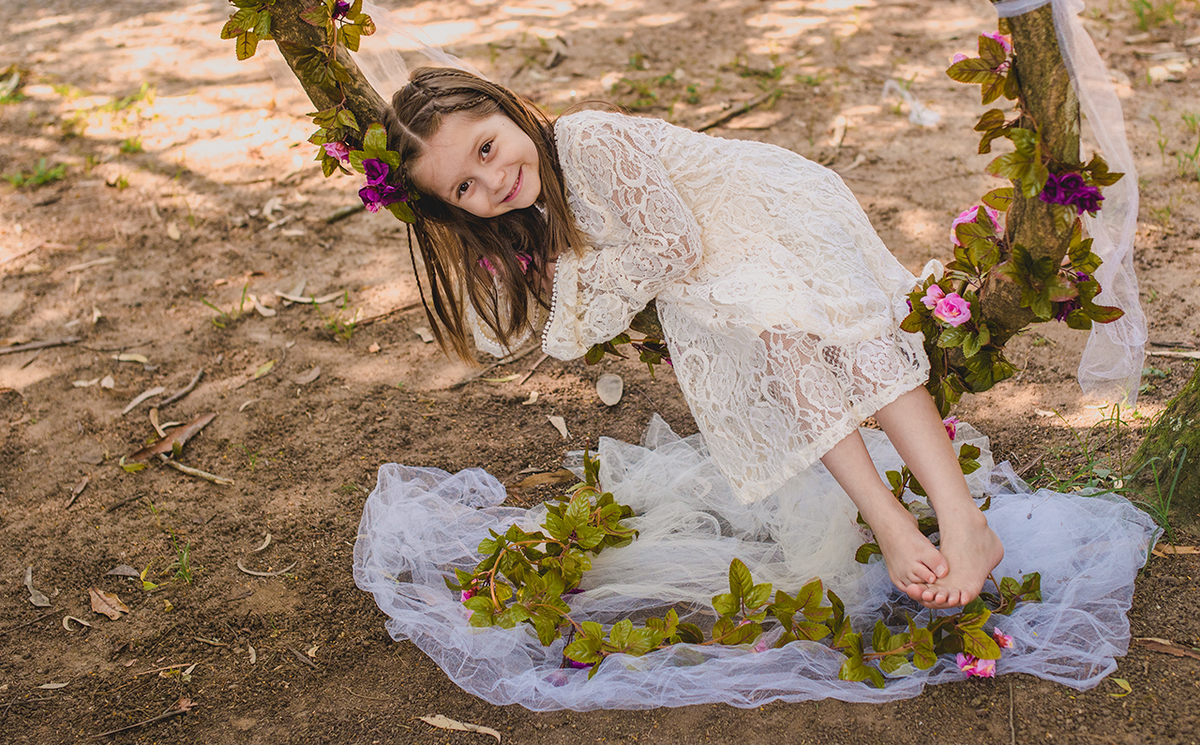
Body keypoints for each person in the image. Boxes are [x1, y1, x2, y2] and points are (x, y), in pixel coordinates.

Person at [379, 66, 1004, 610]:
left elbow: (674, 245)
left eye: (487, 148)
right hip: (719, 255)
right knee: (781, 348)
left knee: (855, 335)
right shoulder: (537, 200)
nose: (492, 182)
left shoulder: (587, 138)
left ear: (506, 108)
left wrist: (577, 277)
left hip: (771, 210)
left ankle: (962, 519)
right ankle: (888, 520)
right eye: (464, 187)